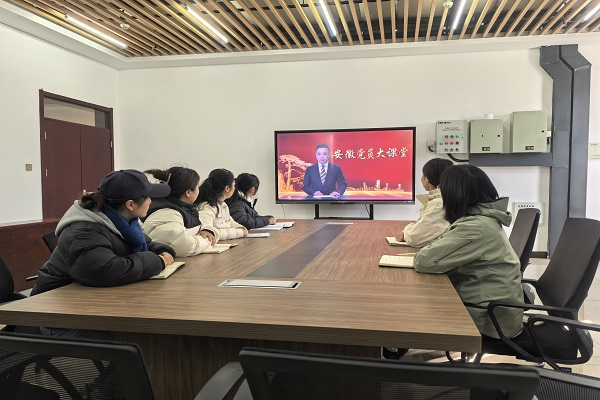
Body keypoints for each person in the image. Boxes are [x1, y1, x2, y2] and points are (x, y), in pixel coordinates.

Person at [31, 169, 176, 339]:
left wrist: (163, 250)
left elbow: (145, 244)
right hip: (60, 316)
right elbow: (106, 270)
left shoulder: (123, 222)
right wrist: (159, 261)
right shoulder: (85, 231)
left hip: (92, 304)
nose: (151, 201)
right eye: (148, 197)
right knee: (147, 336)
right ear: (130, 204)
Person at [413, 165, 524, 341]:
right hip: (491, 308)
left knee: (406, 307)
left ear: (454, 195)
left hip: (489, 320)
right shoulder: (482, 219)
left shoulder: (475, 227)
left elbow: (424, 261)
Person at [142, 167, 218, 257]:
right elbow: (185, 247)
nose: (199, 190)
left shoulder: (187, 209)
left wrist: (207, 230)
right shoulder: (166, 213)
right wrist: (207, 240)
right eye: (197, 186)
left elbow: (205, 226)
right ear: (188, 192)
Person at [395, 158, 453, 247]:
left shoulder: (437, 204)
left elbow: (414, 237)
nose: (421, 178)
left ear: (428, 179)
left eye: (423, 175)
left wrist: (406, 231)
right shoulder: (447, 198)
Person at [196, 169, 248, 240]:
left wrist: (242, 228)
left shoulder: (223, 205)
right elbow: (209, 233)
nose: (235, 188)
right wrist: (240, 232)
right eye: (234, 185)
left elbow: (231, 223)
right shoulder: (206, 207)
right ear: (227, 188)